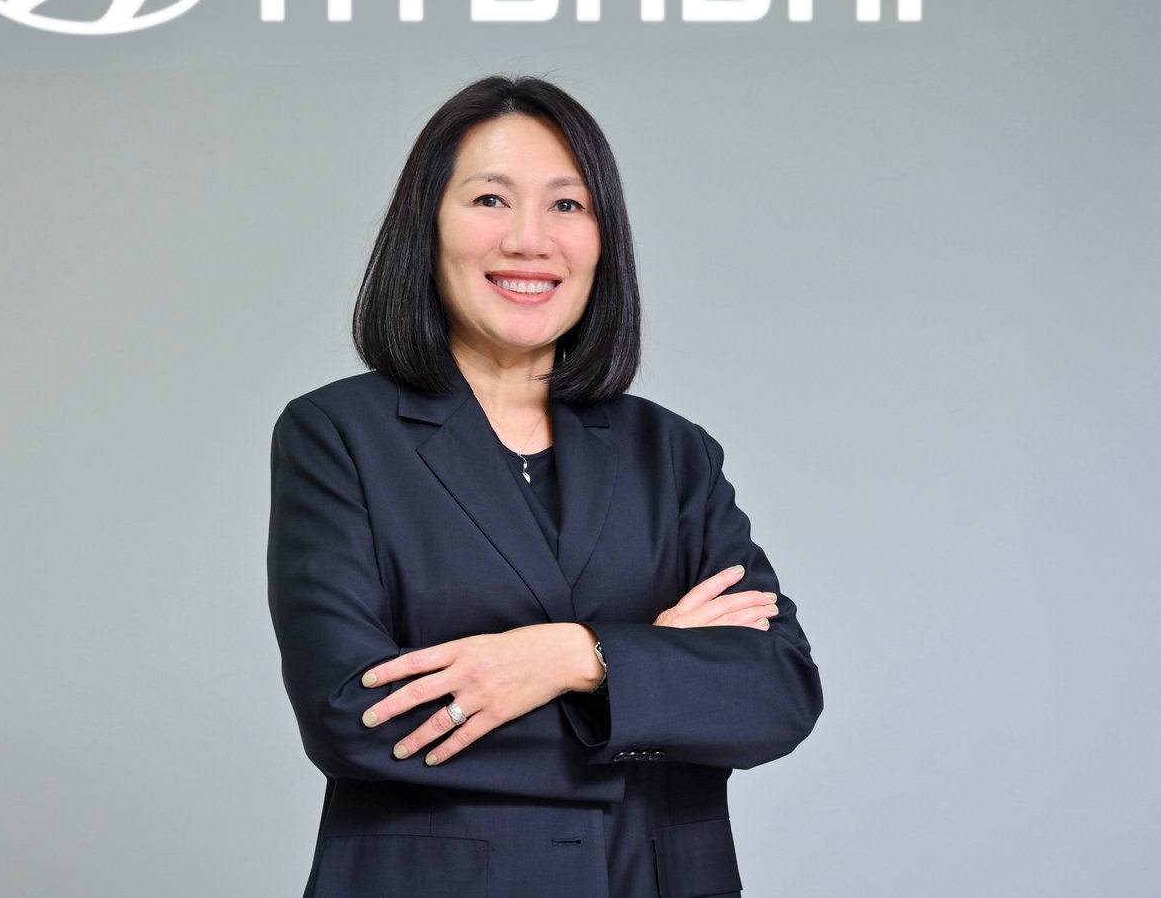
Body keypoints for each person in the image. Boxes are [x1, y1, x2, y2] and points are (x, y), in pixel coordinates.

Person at [267, 75, 823, 898]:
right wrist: (654, 673)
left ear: (603, 240)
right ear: (427, 226)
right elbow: (355, 716)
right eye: (490, 199)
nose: (530, 240)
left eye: (567, 205)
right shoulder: (339, 435)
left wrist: (576, 656)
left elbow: (775, 690)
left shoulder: (673, 453)